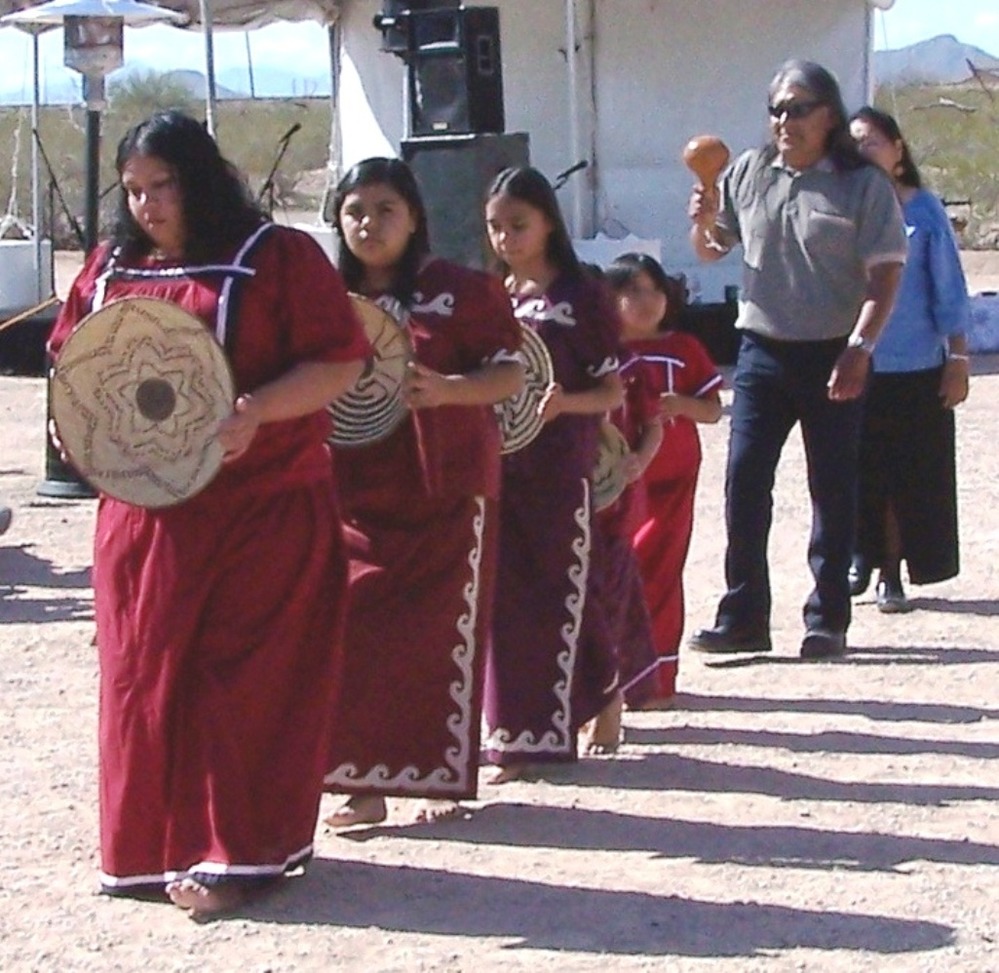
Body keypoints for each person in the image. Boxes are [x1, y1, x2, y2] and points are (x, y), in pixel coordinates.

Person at [47, 111, 369, 919]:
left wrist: (258, 408)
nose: (149, 204)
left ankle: (243, 853)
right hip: (143, 519)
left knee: (245, 681)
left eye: (164, 185)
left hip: (259, 509)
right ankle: (149, 848)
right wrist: (68, 423)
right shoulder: (111, 266)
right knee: (144, 679)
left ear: (200, 179)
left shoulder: (275, 257)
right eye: (135, 189)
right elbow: (71, 364)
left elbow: (338, 359)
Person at [323, 158, 524, 825]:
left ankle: (436, 775)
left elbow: (506, 377)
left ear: (414, 217)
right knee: (352, 624)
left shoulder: (462, 289)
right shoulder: (322, 297)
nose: (368, 224)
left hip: (446, 485)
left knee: (439, 636)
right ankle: (364, 785)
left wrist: (446, 391)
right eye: (355, 211)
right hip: (350, 489)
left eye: (384, 210)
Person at [687, 60, 907, 659]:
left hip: (835, 350)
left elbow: (886, 272)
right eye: (776, 108)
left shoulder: (861, 184)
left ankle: (826, 618)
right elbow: (712, 251)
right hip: (761, 349)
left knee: (831, 487)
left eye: (798, 107)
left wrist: (860, 346)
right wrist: (703, 219)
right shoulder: (749, 173)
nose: (784, 120)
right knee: (744, 480)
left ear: (829, 115)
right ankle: (744, 615)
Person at [482, 166, 624, 782]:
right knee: (503, 596)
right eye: (494, 228)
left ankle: (602, 692)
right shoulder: (492, 296)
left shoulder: (583, 296)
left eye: (518, 225)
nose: (506, 239)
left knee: (564, 583)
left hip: (560, 461)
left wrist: (567, 404)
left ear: (548, 223)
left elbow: (612, 391)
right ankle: (514, 733)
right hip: (498, 463)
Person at [847, 107, 970, 612]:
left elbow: (949, 289)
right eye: (853, 143)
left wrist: (958, 356)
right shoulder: (840, 208)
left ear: (898, 151)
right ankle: (857, 556)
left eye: (872, 142)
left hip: (912, 364)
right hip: (849, 362)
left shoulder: (924, 212)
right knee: (853, 469)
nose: (863, 152)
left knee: (903, 472)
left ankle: (891, 572)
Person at [606, 253, 722, 705]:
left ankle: (657, 678)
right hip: (616, 484)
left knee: (661, 572)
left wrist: (682, 406)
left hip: (672, 482)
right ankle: (614, 676)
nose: (646, 300)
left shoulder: (684, 348)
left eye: (654, 290)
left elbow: (713, 409)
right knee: (619, 571)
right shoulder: (602, 352)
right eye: (632, 290)